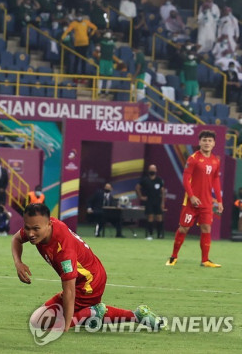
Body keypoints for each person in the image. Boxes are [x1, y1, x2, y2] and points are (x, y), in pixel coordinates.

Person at [12, 203, 165, 333]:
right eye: (27, 228)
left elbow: (70, 291)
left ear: (49, 224)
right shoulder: (40, 228)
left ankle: (93, 311)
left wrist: (66, 326)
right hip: (88, 275)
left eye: (35, 229)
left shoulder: (63, 250)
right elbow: (16, 239)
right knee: (39, 320)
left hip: (89, 283)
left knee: (40, 322)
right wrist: (18, 263)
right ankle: (137, 315)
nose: (30, 234)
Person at [166, 130, 223, 268]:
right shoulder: (193, 158)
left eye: (210, 140)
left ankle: (205, 260)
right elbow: (185, 180)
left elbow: (215, 180)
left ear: (214, 143)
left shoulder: (215, 160)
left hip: (207, 203)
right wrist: (191, 196)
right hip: (191, 202)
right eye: (204, 140)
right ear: (199, 142)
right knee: (183, 229)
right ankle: (173, 257)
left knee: (206, 228)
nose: (207, 143)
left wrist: (219, 201)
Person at [136, 165, 166, 240]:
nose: (152, 170)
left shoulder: (159, 180)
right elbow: (137, 187)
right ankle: (150, 235)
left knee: (159, 217)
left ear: (156, 171)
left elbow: (163, 192)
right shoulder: (145, 180)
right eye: (151, 169)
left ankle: (160, 235)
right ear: (148, 170)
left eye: (153, 169)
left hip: (158, 201)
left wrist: (162, 203)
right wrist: (141, 196)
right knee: (150, 217)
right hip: (149, 201)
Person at [98, 31, 115, 95]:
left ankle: (107, 92)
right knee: (101, 76)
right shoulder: (103, 41)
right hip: (103, 60)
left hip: (109, 61)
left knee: (109, 77)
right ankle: (99, 91)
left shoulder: (112, 41)